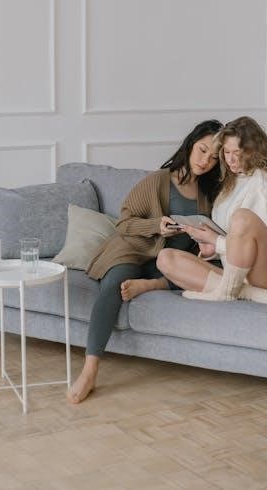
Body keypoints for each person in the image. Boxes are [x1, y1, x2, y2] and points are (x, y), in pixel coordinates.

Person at [68, 119, 223, 403]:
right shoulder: (159, 180)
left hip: (165, 260)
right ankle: (90, 369)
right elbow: (124, 223)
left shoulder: (208, 195)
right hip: (133, 249)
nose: (205, 161)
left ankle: (151, 284)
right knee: (115, 285)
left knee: (207, 272)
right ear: (191, 144)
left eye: (214, 157)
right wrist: (155, 225)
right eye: (202, 150)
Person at [157, 116, 267, 304]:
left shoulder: (263, 184)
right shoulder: (232, 182)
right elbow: (234, 242)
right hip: (236, 274)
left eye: (237, 152)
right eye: (226, 151)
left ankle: (228, 292)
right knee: (166, 258)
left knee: (242, 217)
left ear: (253, 151)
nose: (230, 159)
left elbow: (262, 245)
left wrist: (216, 241)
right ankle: (247, 293)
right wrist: (211, 249)